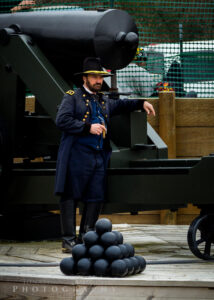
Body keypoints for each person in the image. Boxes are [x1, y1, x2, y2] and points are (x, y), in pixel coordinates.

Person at [55, 57, 155, 253]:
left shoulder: (103, 100)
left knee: (95, 196)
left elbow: (122, 105)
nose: (98, 80)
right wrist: (87, 128)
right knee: (70, 195)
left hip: (98, 156)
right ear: (84, 78)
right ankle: (68, 240)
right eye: (94, 77)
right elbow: (62, 120)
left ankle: (87, 236)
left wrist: (141, 102)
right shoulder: (72, 96)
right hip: (76, 155)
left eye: (100, 77)